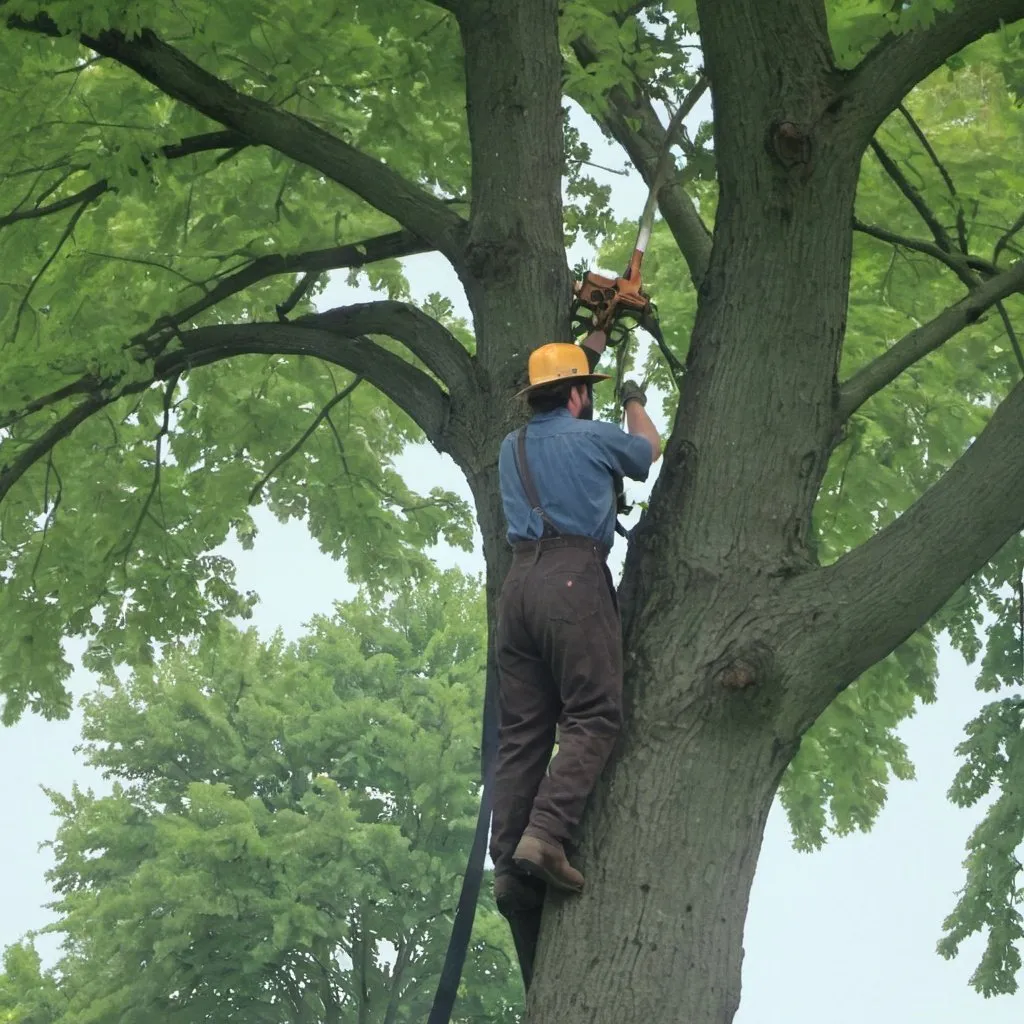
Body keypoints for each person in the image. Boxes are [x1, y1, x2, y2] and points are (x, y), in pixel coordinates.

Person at [490, 327, 662, 987]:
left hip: (520, 590)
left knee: (522, 736)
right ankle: (547, 835)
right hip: (571, 579)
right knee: (594, 712)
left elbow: (562, 394)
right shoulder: (591, 434)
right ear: (577, 397)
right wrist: (633, 396)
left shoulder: (512, 446)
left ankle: (509, 865)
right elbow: (645, 452)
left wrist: (591, 338)